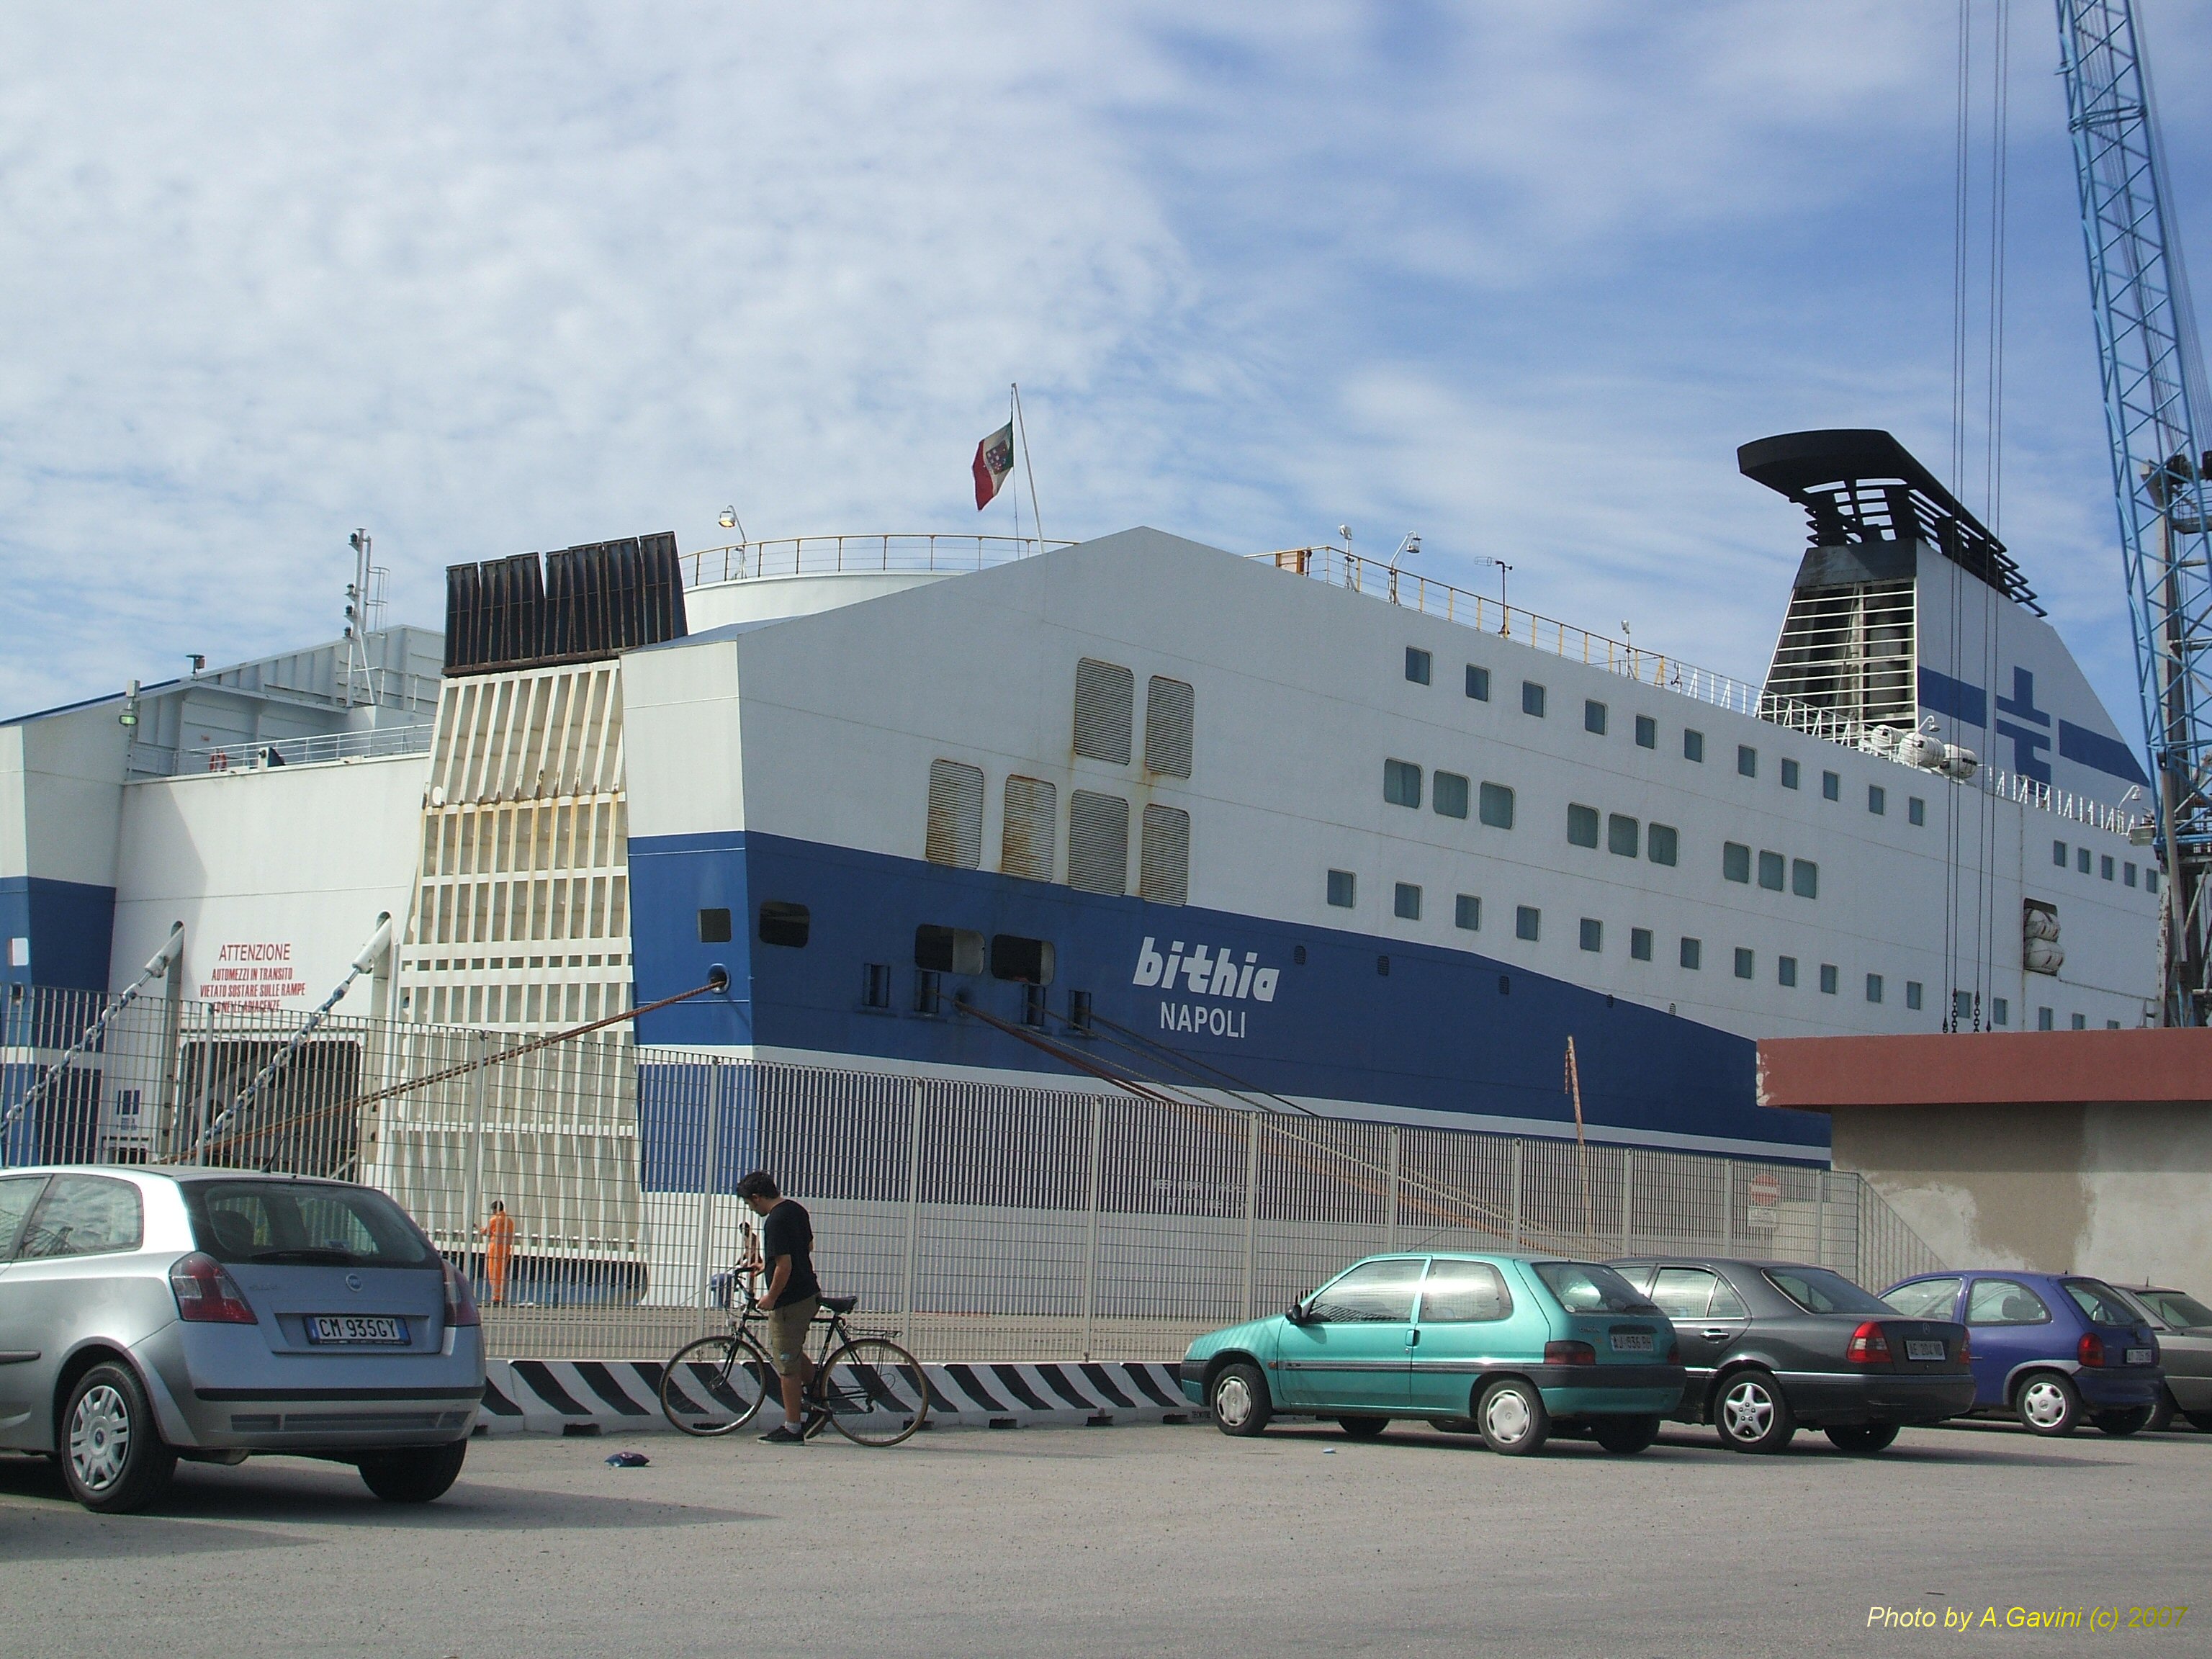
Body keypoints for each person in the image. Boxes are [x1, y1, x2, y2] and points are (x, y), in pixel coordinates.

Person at [736, 1170, 819, 1444]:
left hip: (790, 1302)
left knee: (786, 1367)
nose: (751, 1208)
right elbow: (806, 1246)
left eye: (749, 1203)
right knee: (792, 1353)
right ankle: (820, 1398)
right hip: (808, 1292)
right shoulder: (796, 1210)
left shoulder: (774, 1221)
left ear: (757, 1197)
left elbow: (785, 1266)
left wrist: (771, 1297)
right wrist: (766, 1264)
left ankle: (793, 1428)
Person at [480, 1200, 516, 1306]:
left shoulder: (494, 1220)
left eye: (493, 1209)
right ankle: (501, 1297)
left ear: (496, 1209)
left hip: (495, 1249)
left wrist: (478, 1228)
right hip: (506, 1249)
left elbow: (486, 1232)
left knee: (494, 1273)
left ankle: (496, 1298)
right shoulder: (509, 1221)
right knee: (502, 1273)